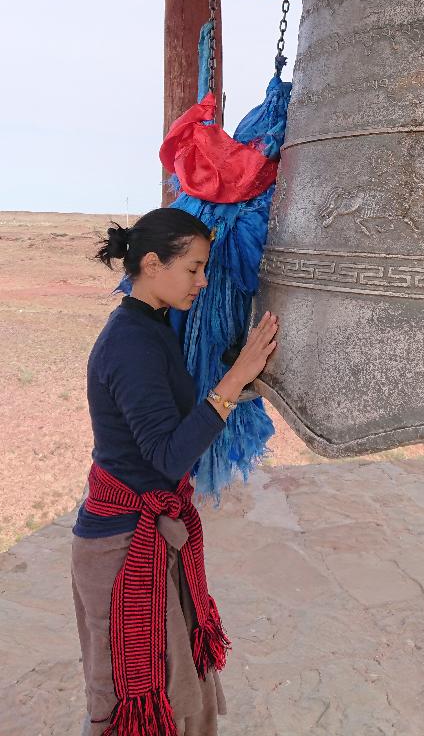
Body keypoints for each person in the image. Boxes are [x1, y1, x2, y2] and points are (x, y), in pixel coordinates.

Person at [71, 207, 279, 736]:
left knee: (176, 688)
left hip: (145, 532)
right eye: (193, 268)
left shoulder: (152, 325)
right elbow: (167, 456)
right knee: (138, 700)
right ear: (150, 263)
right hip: (122, 550)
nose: (202, 280)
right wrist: (234, 379)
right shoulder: (131, 344)